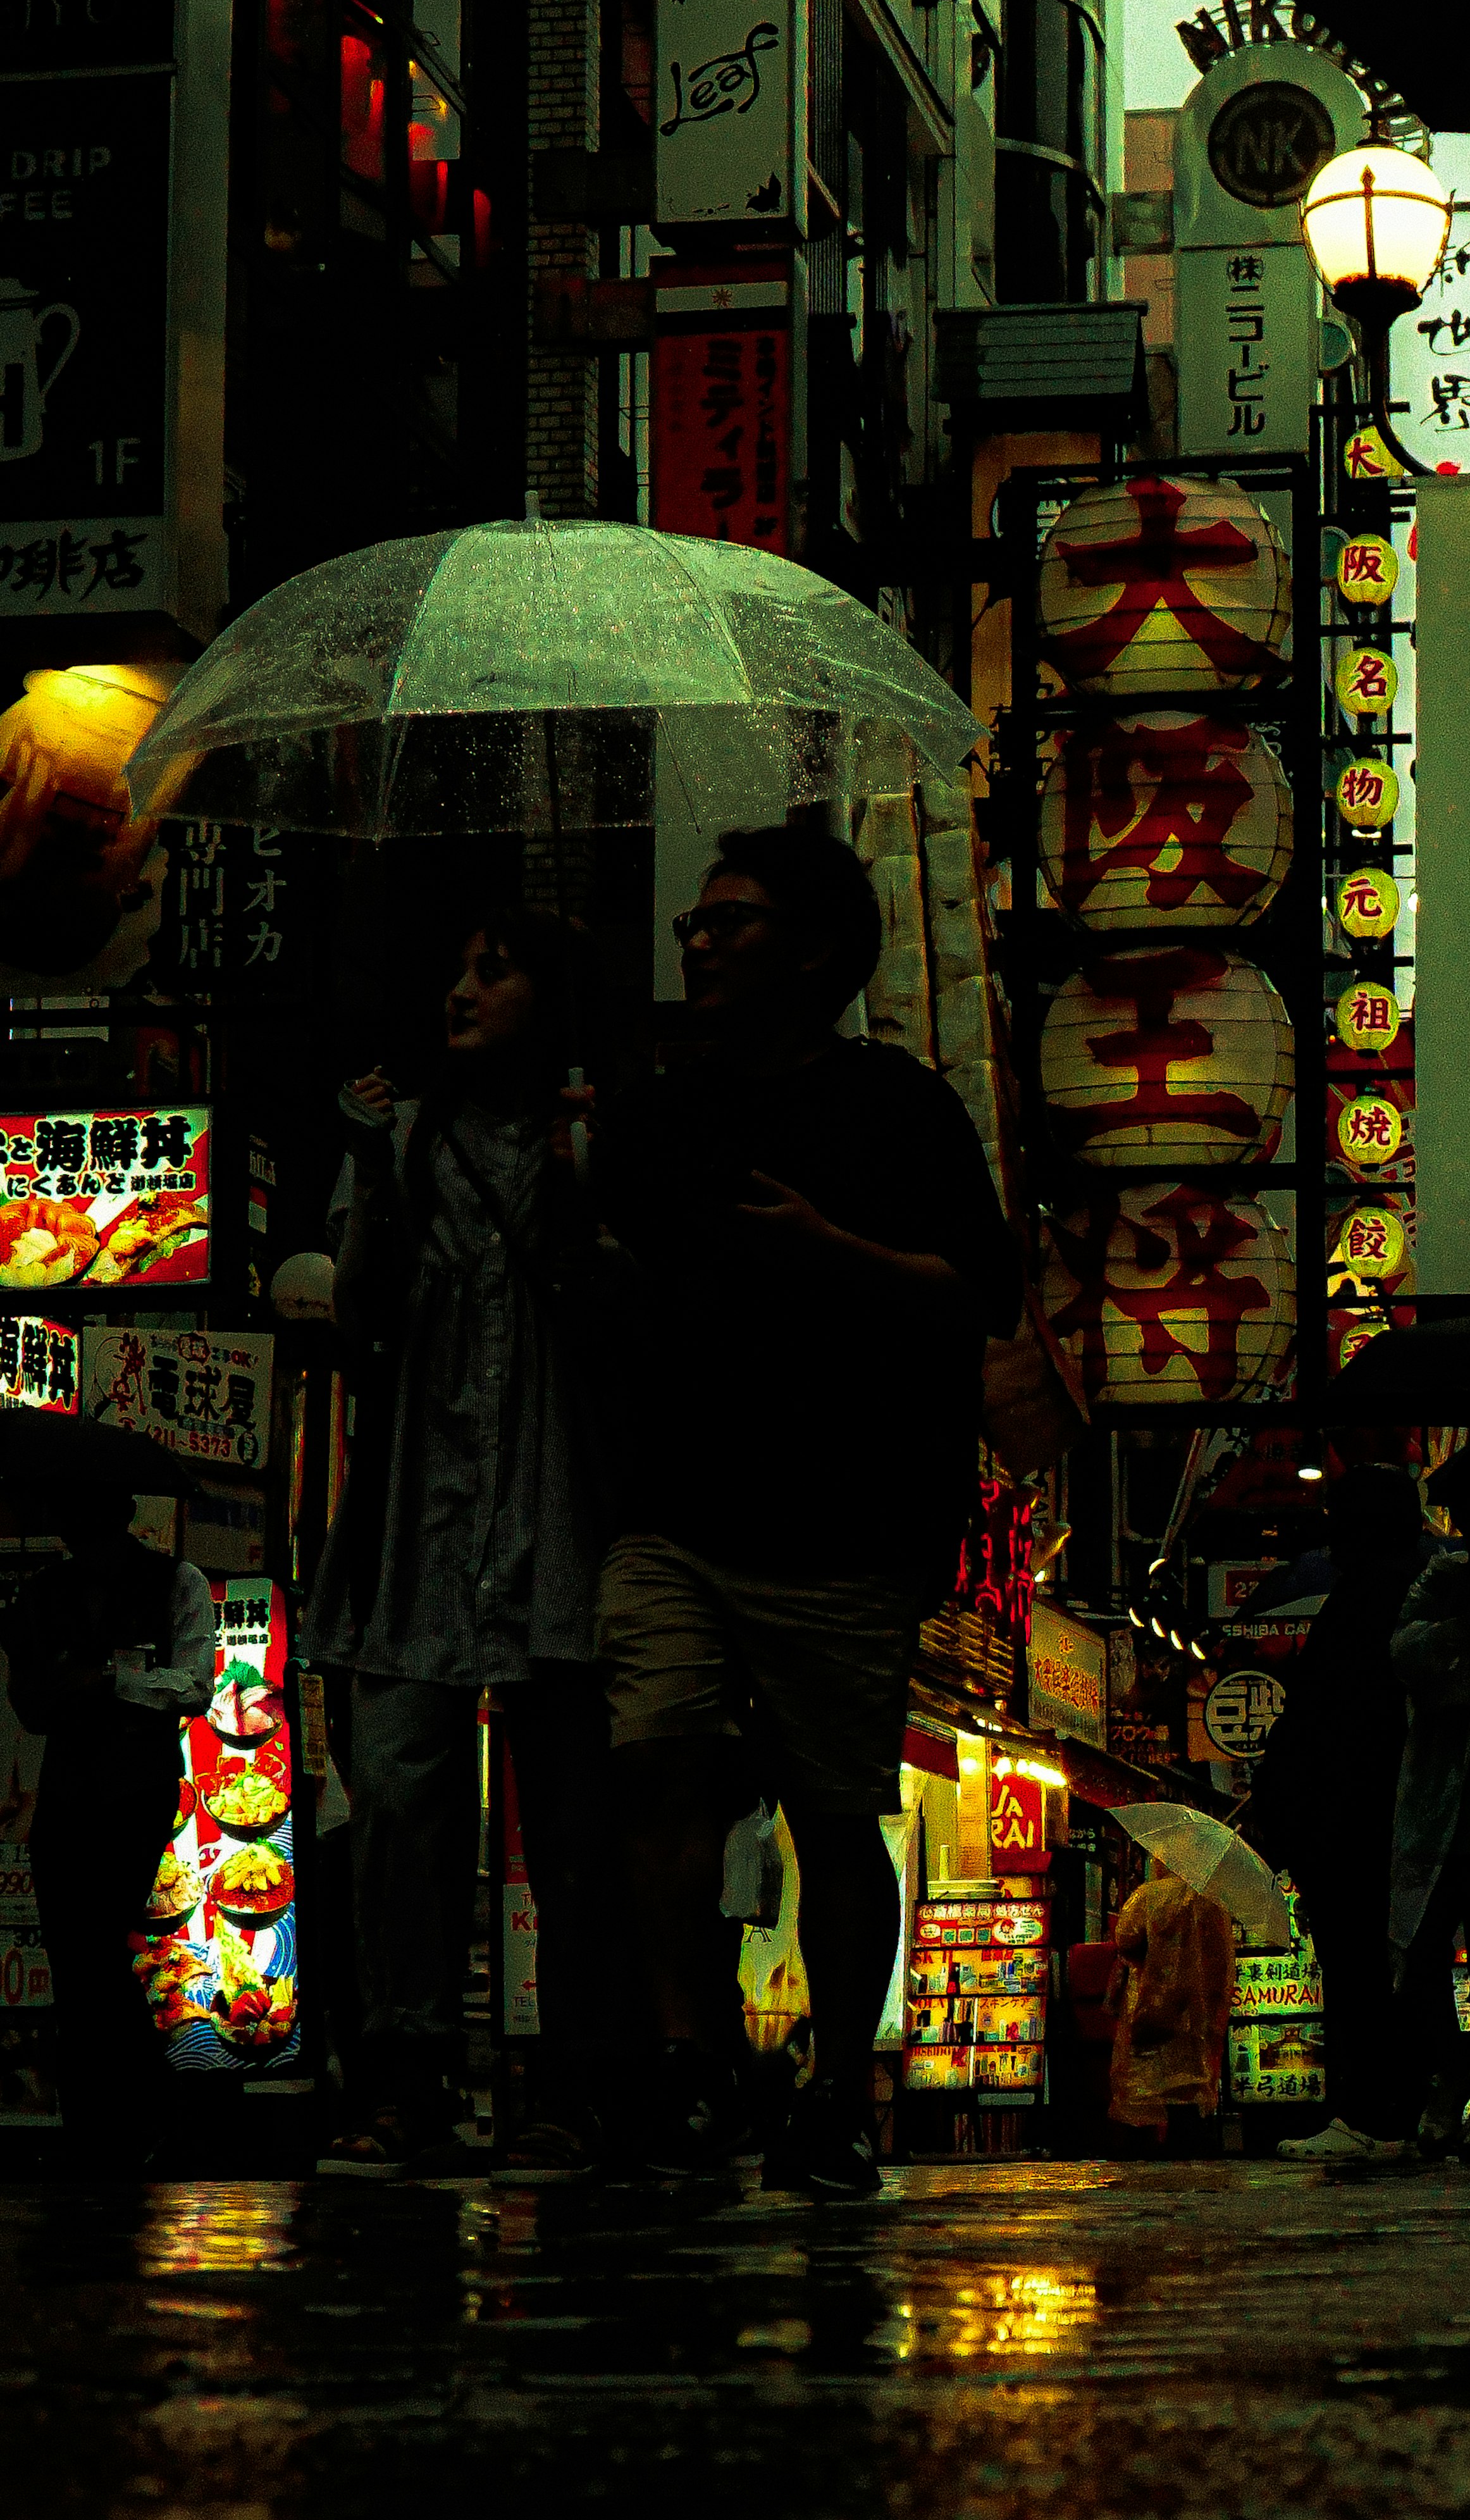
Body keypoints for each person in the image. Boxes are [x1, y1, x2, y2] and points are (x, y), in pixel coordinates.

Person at [590, 826, 1022, 2199]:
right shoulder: (656, 1110)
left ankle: (839, 2086)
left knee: (838, 1811)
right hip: (675, 1502)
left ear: (821, 946)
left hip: (847, 1518)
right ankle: (684, 2049)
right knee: (651, 1744)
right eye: (693, 926)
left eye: (733, 920)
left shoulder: (899, 1108)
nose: (699, 942)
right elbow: (608, 1272)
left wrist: (825, 1251)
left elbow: (982, 1295)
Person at [307, 906, 617, 2180]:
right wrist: (369, 1159)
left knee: (573, 1823)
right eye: (457, 966)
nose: (463, 988)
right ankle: (405, 2073)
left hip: (559, 1521)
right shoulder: (407, 1129)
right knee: (398, 1799)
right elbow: (361, 1307)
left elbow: (617, 1307)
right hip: (416, 1530)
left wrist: (581, 1173)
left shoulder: (595, 1132)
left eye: (494, 968)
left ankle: (575, 2082)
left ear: (552, 995)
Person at [4, 1493, 214, 2168]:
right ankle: (110, 2121)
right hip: (69, 1791)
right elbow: (31, 1703)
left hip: (137, 1788)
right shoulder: (42, 1596)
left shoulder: (177, 1581)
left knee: (96, 1946)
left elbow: (195, 1687)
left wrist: (114, 1686)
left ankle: (135, 2114)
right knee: (75, 1954)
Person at [1250, 1463, 1428, 2163]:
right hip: (1384, 1820)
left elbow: (1329, 1726)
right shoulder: (1406, 1591)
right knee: (1388, 1968)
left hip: (1350, 1827)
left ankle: (1372, 2111)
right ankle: (1396, 2108)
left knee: (1356, 1972)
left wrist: (1284, 1805)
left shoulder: (1364, 1602)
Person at [1389, 1444, 1470, 2159]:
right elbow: (1406, 1653)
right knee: (1424, 1947)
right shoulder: (1444, 1577)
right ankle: (1453, 2079)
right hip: (1441, 1801)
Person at [1106, 1866, 1234, 2146]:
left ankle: (1143, 2154)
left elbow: (1126, 1939)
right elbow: (1223, 1961)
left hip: (1152, 2006)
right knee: (1190, 2088)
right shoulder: (1215, 1902)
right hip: (1199, 2014)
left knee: (1143, 2090)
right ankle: (1190, 2149)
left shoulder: (1149, 1896)